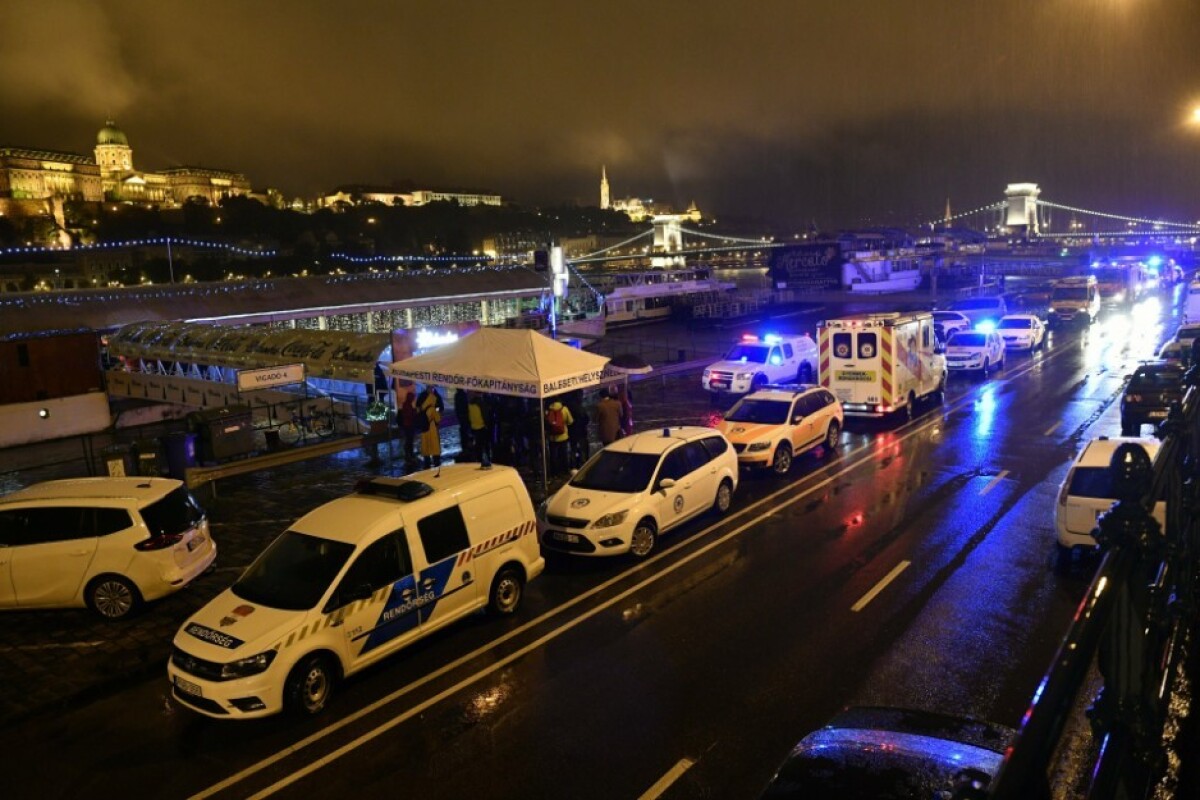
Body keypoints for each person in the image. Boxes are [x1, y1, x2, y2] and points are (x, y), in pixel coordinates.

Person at [544, 397, 574, 476]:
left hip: (552, 438)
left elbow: (546, 424)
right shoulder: (564, 409)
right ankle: (565, 470)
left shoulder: (548, 410)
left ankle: (554, 472)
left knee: (553, 455)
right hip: (563, 436)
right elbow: (570, 421)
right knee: (564, 454)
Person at [565, 390, 590, 468]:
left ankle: (573, 465)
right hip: (581, 432)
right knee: (582, 449)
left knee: (573, 449)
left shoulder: (569, 407)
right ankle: (583, 465)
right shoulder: (581, 408)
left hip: (572, 432)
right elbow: (587, 419)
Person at [419, 388, 442, 469]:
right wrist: (437, 411)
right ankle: (436, 460)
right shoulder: (432, 408)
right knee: (434, 444)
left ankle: (427, 461)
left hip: (424, 428)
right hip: (432, 428)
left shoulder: (421, 403)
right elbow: (438, 418)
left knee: (426, 444)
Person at [468, 393, 491, 466]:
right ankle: (487, 460)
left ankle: (479, 460)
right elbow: (485, 415)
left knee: (478, 446)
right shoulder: (481, 403)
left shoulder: (470, 403)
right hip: (482, 426)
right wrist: (487, 424)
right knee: (485, 445)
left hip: (474, 427)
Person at [399, 388, 418, 463]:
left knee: (409, 440)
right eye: (413, 398)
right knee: (409, 441)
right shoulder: (407, 405)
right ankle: (409, 455)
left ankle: (409, 455)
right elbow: (409, 415)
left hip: (408, 425)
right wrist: (414, 412)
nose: (413, 399)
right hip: (408, 425)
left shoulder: (406, 404)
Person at [453, 388, 471, 457]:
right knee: (465, 432)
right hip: (464, 417)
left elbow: (457, 407)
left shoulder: (457, 395)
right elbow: (465, 406)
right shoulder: (463, 395)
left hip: (461, 417)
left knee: (463, 432)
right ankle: (467, 447)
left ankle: (465, 447)